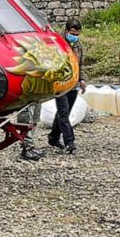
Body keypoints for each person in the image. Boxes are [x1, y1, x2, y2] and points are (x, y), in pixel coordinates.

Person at [48, 18, 85, 154]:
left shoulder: (78, 46)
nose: (75, 36)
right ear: (67, 30)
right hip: (61, 83)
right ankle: (70, 142)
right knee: (64, 113)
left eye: (77, 34)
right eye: (72, 33)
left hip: (73, 84)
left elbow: (80, 64)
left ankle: (53, 137)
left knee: (65, 112)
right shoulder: (58, 44)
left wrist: (82, 79)